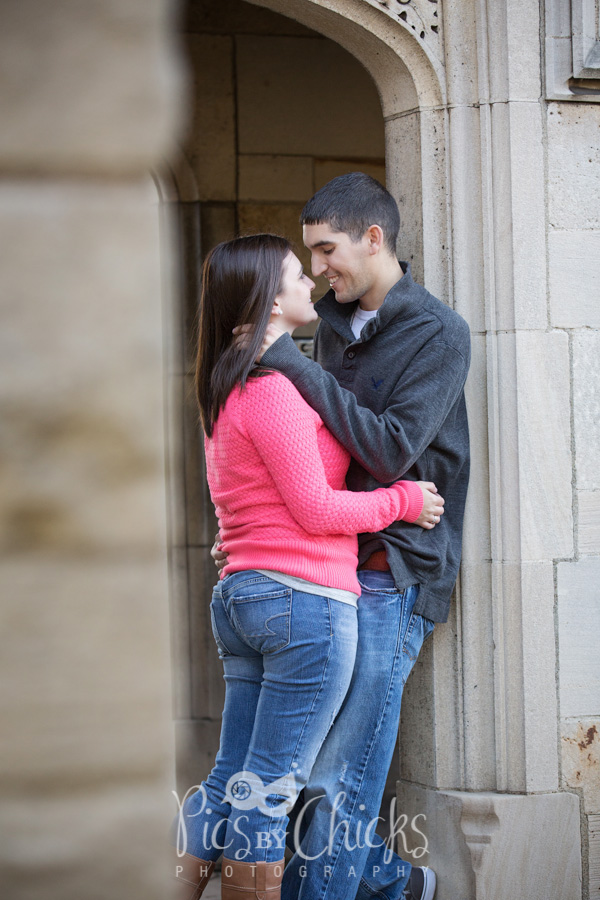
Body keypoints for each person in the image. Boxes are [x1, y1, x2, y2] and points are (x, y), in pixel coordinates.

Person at [219, 173, 471, 900]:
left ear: (372, 238)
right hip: (319, 566)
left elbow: (391, 450)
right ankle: (397, 886)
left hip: (394, 572)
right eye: (310, 256)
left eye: (326, 250)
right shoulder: (330, 323)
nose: (320, 267)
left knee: (338, 779)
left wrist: (292, 364)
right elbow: (313, 445)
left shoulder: (437, 333)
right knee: (302, 775)